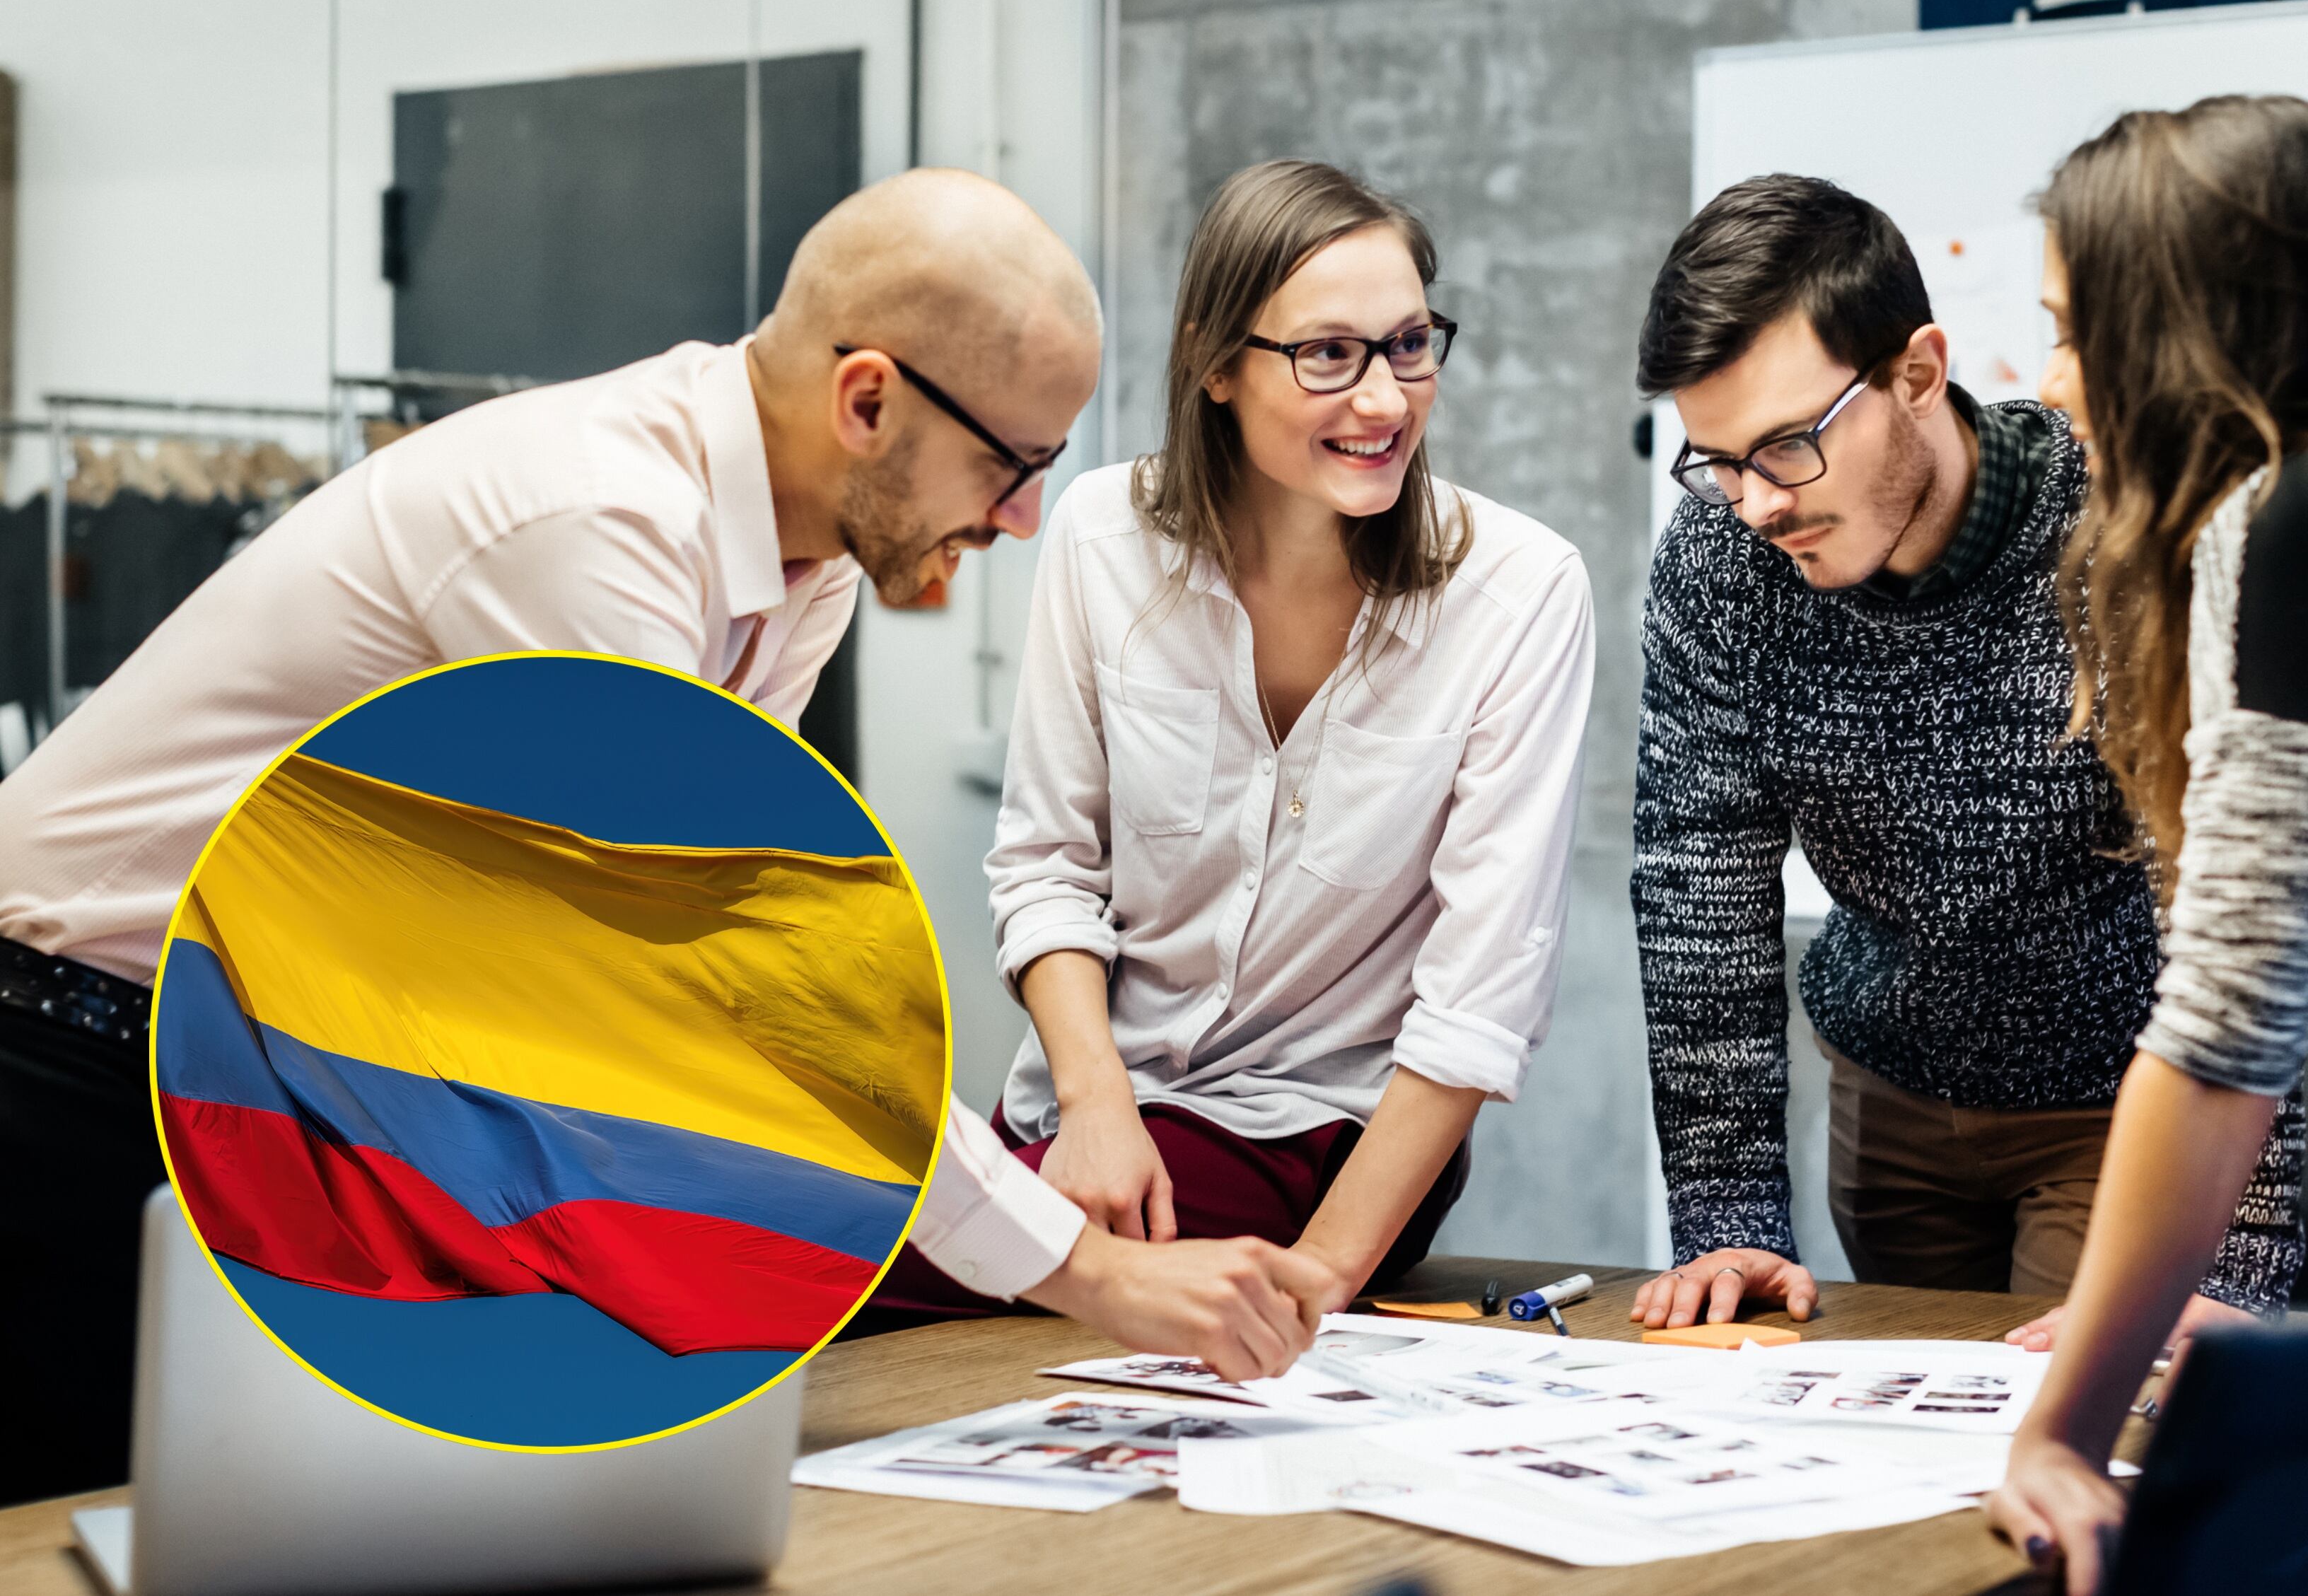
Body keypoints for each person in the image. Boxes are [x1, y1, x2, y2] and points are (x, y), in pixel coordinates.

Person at [0, 168, 1329, 1508]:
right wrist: (1091, 1272)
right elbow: (730, 982)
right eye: (1015, 464)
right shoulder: (599, 524)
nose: (1027, 518)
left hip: (278, 1059)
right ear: (866, 401)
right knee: (74, 1532)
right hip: (66, 1044)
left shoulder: (802, 571)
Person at [866, 158, 1594, 1329]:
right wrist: (1094, 1103)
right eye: (1328, 355)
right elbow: (1048, 863)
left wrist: (1319, 1285)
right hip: (1085, 1114)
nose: (1385, 399)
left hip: (1316, 1139)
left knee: (847, 1253)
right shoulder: (1104, 536)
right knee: (849, 1228)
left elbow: (1480, 996)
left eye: (1411, 345)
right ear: (1216, 363)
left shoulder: (1518, 592)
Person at [1623, 174, 2301, 1336]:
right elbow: (1700, 879)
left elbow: (2253, 912)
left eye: (1786, 447)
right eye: (1717, 460)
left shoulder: (2120, 531)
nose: (1753, 506)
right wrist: (1729, 1210)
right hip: (1888, 1101)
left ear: (1918, 374)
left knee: (2078, 1440)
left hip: (2120, 1104)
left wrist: (2241, 1265)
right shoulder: (1723, 562)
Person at [1986, 94, 2308, 1595]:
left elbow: (2228, 1030)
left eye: (2074, 327)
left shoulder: (2282, 520)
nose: (2053, 385)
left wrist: (2064, 1426)